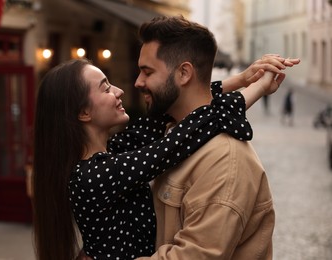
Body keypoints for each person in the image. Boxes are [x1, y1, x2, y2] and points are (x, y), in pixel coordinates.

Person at [32, 50, 295, 260]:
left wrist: (241, 80)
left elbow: (181, 111)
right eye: (105, 88)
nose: (120, 90)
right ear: (84, 113)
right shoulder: (95, 175)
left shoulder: (115, 151)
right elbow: (186, 136)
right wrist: (259, 87)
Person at [130, 16, 300, 260]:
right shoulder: (174, 131)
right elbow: (211, 105)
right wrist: (243, 81)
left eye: (147, 72)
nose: (138, 82)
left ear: (184, 73)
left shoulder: (224, 160)